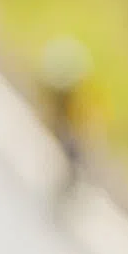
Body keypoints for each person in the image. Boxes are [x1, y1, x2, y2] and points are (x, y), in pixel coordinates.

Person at [39, 36, 91, 206]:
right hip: (66, 127)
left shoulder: (77, 93)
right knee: (70, 153)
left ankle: (70, 185)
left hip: (72, 128)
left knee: (73, 155)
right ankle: (68, 185)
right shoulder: (57, 93)